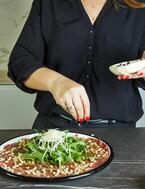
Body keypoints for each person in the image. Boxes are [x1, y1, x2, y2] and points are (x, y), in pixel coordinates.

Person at [8, 0, 145, 129]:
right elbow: (20, 61)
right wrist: (55, 82)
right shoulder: (48, 3)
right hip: (54, 127)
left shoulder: (140, 7)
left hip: (119, 131)